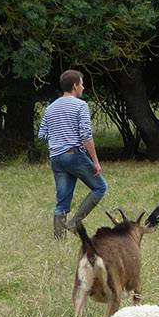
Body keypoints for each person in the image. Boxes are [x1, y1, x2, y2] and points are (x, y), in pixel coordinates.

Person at [37, 69, 107, 240]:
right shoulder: (80, 105)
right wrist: (95, 161)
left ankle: (59, 242)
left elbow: (42, 134)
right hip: (73, 155)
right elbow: (86, 135)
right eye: (82, 84)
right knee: (100, 187)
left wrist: (57, 141)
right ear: (75, 86)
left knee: (61, 203)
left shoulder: (51, 108)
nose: (83, 87)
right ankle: (76, 222)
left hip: (56, 158)